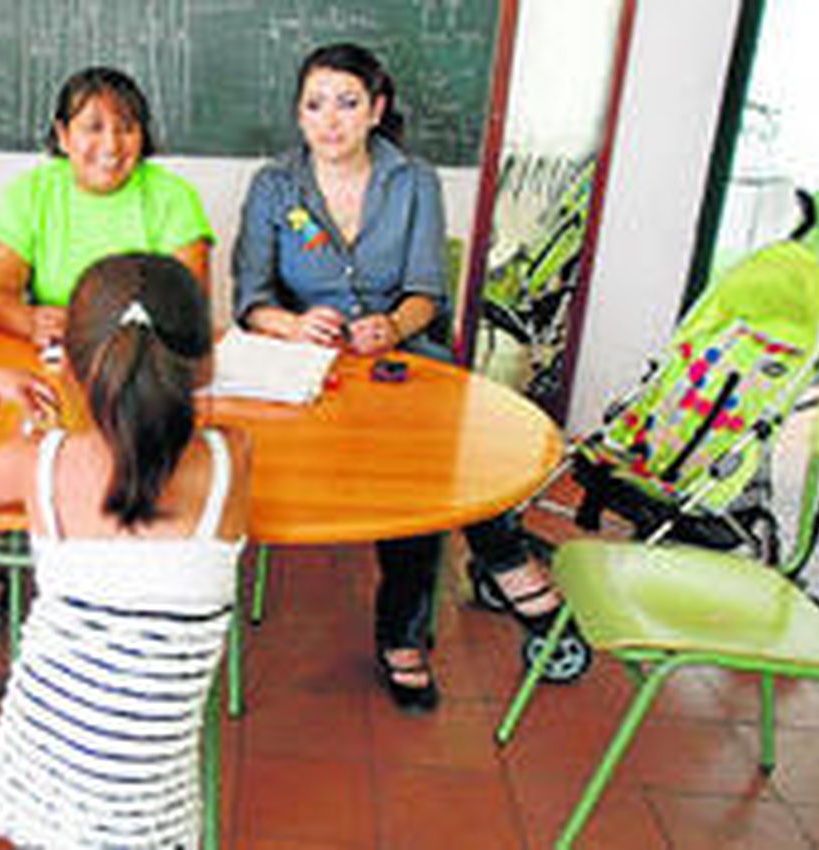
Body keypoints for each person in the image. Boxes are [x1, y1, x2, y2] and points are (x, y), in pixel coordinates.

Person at [232, 42, 572, 713]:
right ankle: (509, 564)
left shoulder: (412, 179)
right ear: (299, 116)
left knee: (420, 474)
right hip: (310, 371)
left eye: (347, 103)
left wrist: (391, 324)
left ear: (376, 109)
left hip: (403, 360)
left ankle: (404, 633)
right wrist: (294, 326)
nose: (329, 120)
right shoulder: (274, 184)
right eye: (314, 105)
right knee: (402, 472)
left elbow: (427, 293)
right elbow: (251, 299)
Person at [0, 253, 251, 849]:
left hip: (49, 756)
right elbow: (165, 454)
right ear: (204, 363)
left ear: (70, 367)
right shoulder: (232, 459)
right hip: (154, 785)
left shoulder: (42, 464)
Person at [0, 67, 214, 348]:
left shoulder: (175, 197)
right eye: (94, 128)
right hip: (53, 354)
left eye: (126, 128)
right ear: (63, 135)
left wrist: (101, 328)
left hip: (142, 356)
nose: (111, 145)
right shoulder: (30, 193)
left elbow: (188, 303)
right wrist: (31, 321)